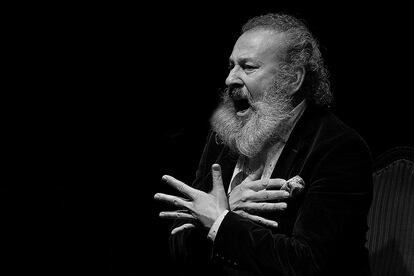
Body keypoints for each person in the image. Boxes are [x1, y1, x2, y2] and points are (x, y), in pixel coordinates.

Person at [154, 13, 373, 276]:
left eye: (248, 67)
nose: (230, 78)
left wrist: (222, 220)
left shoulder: (339, 148)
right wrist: (225, 212)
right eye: (231, 65)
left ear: (293, 79)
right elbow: (179, 246)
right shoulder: (222, 135)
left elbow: (310, 263)